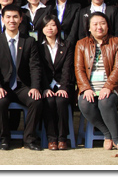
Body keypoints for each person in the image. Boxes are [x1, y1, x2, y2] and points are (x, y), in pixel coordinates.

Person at [0, 5, 44, 151]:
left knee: (36, 101)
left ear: (20, 19)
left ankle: (29, 139)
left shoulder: (29, 41)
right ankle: (4, 138)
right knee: (0, 102)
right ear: (3, 19)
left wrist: (35, 87)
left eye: (15, 17)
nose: (11, 20)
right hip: (3, 86)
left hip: (22, 86)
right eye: (8, 17)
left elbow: (35, 67)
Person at [75, 12, 118, 152]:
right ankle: (107, 134)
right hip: (90, 87)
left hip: (113, 87)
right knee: (84, 103)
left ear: (108, 26)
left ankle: (117, 139)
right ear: (89, 27)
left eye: (102, 23)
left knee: (105, 101)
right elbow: (79, 69)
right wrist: (85, 88)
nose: (99, 27)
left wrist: (108, 86)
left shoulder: (117, 42)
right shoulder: (81, 44)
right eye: (95, 24)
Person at [38, 14, 75, 150]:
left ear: (58, 28)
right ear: (42, 28)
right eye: (46, 25)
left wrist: (64, 87)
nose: (50, 28)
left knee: (61, 101)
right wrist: (45, 87)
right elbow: (39, 69)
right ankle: (52, 138)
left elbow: (67, 68)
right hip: (46, 85)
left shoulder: (67, 45)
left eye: (53, 25)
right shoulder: (38, 46)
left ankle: (62, 138)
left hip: (62, 84)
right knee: (49, 101)